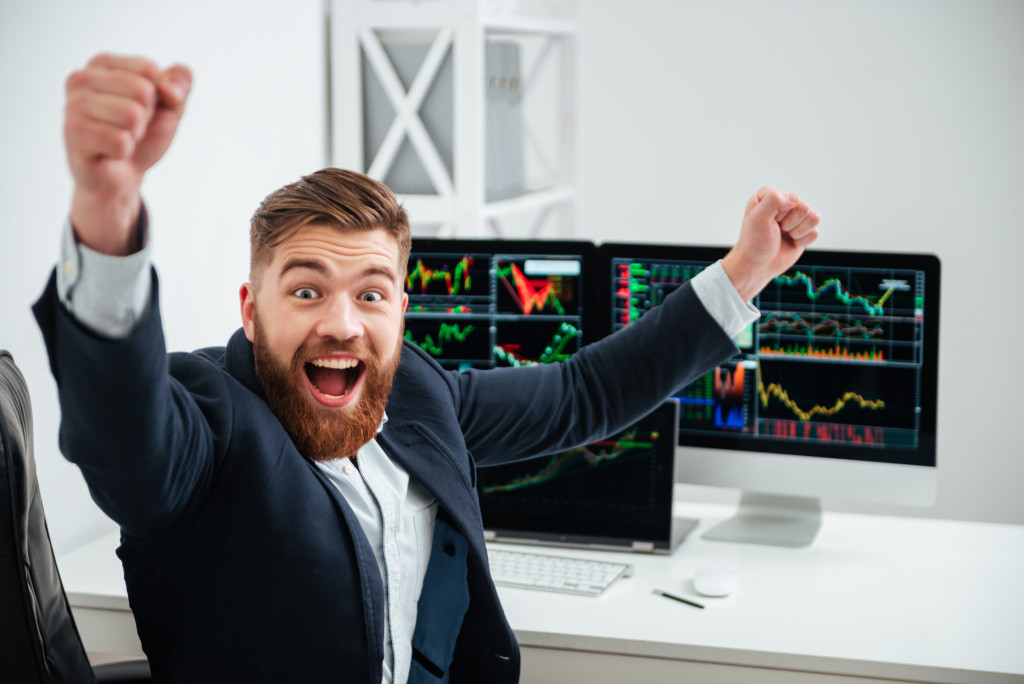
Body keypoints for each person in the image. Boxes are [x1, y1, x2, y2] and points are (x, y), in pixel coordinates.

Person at [35, 54, 819, 683]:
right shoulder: (206, 418)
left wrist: (746, 269)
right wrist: (108, 218)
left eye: (370, 293)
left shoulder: (417, 392)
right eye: (306, 289)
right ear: (252, 308)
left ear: (401, 310)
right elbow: (123, 436)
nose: (342, 322)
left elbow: (585, 393)